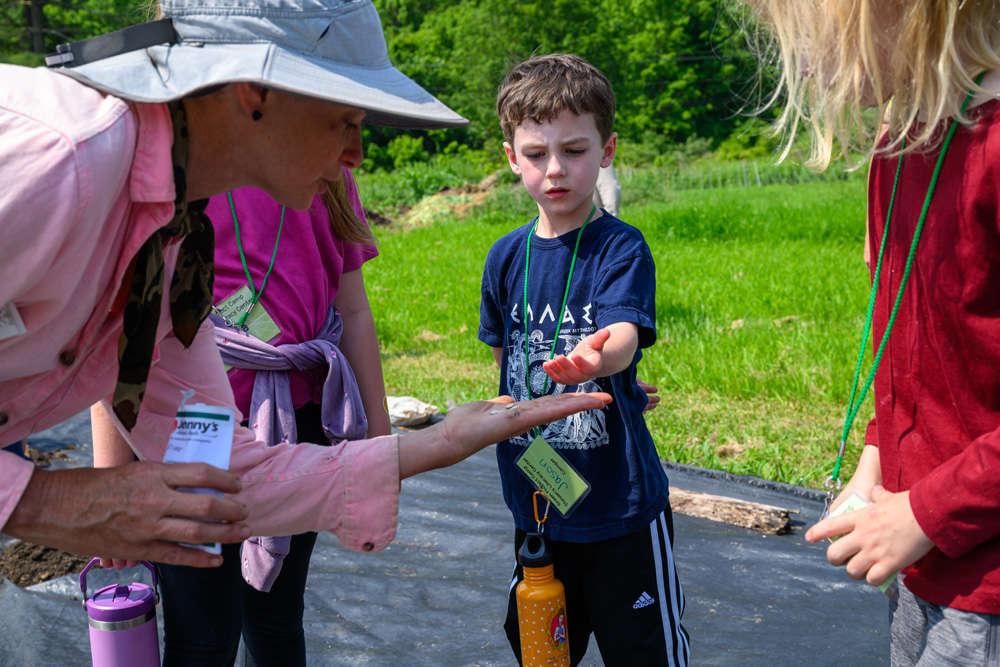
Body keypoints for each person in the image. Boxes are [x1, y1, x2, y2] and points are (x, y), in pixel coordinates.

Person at [0, 0, 611, 573]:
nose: (357, 152)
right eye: (344, 119)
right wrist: (52, 504)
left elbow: (223, 463)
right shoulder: (60, 164)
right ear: (256, 94)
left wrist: (444, 442)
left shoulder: (172, 247)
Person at [739, 1, 1000, 665]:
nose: (799, 62)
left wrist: (925, 512)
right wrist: (877, 463)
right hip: (927, 558)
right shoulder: (905, 138)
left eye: (807, 35)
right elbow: (909, 345)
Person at [92, 174, 388, 665]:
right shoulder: (168, 175)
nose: (351, 142)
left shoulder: (327, 167)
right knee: (202, 633)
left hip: (296, 426)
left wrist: (379, 444)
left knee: (275, 617)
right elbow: (115, 334)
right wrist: (110, 484)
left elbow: (353, 310)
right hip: (188, 431)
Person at [480, 53, 689, 666]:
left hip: (620, 511)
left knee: (645, 654)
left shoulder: (620, 247)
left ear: (607, 149)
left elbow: (622, 332)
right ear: (511, 157)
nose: (556, 170)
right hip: (538, 507)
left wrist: (601, 363)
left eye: (574, 151)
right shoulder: (504, 258)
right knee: (542, 656)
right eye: (537, 153)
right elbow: (506, 361)